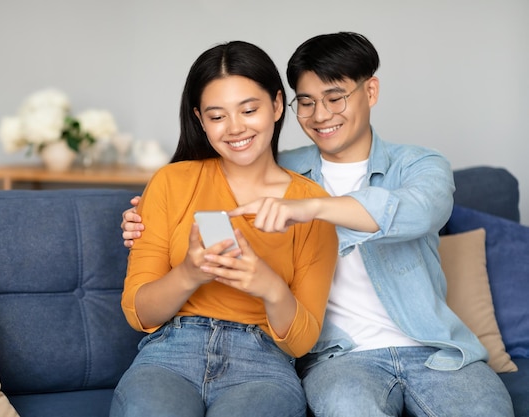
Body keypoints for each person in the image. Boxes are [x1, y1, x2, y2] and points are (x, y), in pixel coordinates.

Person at [120, 32, 514, 416]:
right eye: (306, 102)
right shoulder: (267, 166)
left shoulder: (415, 166)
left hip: (432, 349)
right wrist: (147, 219)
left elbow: (417, 211)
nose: (321, 115)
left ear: (370, 92)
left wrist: (309, 208)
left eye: (335, 97)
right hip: (336, 357)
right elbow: (234, 169)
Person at [109, 40, 337, 417]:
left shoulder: (310, 205)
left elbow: (302, 341)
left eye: (249, 110)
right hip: (171, 355)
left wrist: (268, 286)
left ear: (277, 105)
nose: (235, 128)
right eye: (217, 117)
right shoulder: (171, 182)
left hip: (262, 365)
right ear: (199, 119)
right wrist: (189, 273)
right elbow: (139, 313)